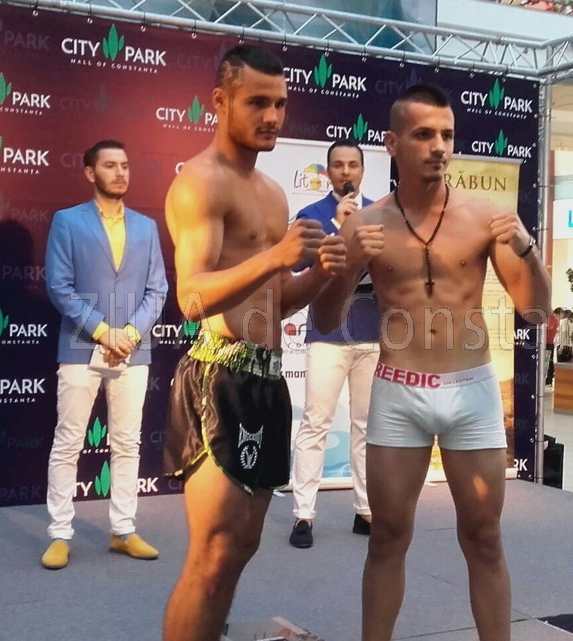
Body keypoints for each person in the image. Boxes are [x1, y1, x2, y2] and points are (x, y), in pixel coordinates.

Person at [313, 83, 551, 641]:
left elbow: (536, 311)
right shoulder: (365, 223)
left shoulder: (486, 217)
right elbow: (324, 319)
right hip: (398, 390)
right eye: (423, 134)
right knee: (388, 537)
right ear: (392, 143)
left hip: (471, 391)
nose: (439, 146)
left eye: (447, 134)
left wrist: (529, 249)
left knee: (484, 538)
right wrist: (349, 265)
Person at [159, 45, 346, 641]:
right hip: (218, 378)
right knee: (212, 552)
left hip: (267, 379)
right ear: (220, 101)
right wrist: (277, 256)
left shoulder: (271, 192)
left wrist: (323, 272)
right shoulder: (200, 183)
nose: (272, 116)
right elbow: (191, 298)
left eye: (281, 103)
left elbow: (277, 303)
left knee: (241, 547)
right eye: (258, 102)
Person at [41, 140, 168, 570]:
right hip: (81, 346)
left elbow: (158, 289)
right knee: (69, 442)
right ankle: (60, 533)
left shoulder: (146, 227)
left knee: (128, 443)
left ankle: (123, 530)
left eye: (125, 165)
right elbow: (59, 286)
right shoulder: (67, 221)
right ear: (90, 173)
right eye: (110, 165)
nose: (120, 173)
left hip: (133, 349)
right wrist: (102, 331)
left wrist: (128, 334)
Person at [289, 139, 380, 548]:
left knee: (366, 426)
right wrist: (338, 229)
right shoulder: (311, 216)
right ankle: (304, 515)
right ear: (327, 173)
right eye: (338, 165)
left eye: (353, 165)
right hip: (327, 336)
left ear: (362, 170)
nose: (346, 172)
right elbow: (296, 265)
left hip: (371, 334)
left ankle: (366, 510)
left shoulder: (379, 214)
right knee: (316, 423)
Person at [545, 307, 561, 387]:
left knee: (548, 361)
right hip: (549, 342)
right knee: (549, 361)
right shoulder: (553, 317)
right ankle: (549, 379)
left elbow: (549, 327)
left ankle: (548, 379)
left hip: (548, 343)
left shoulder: (552, 317)